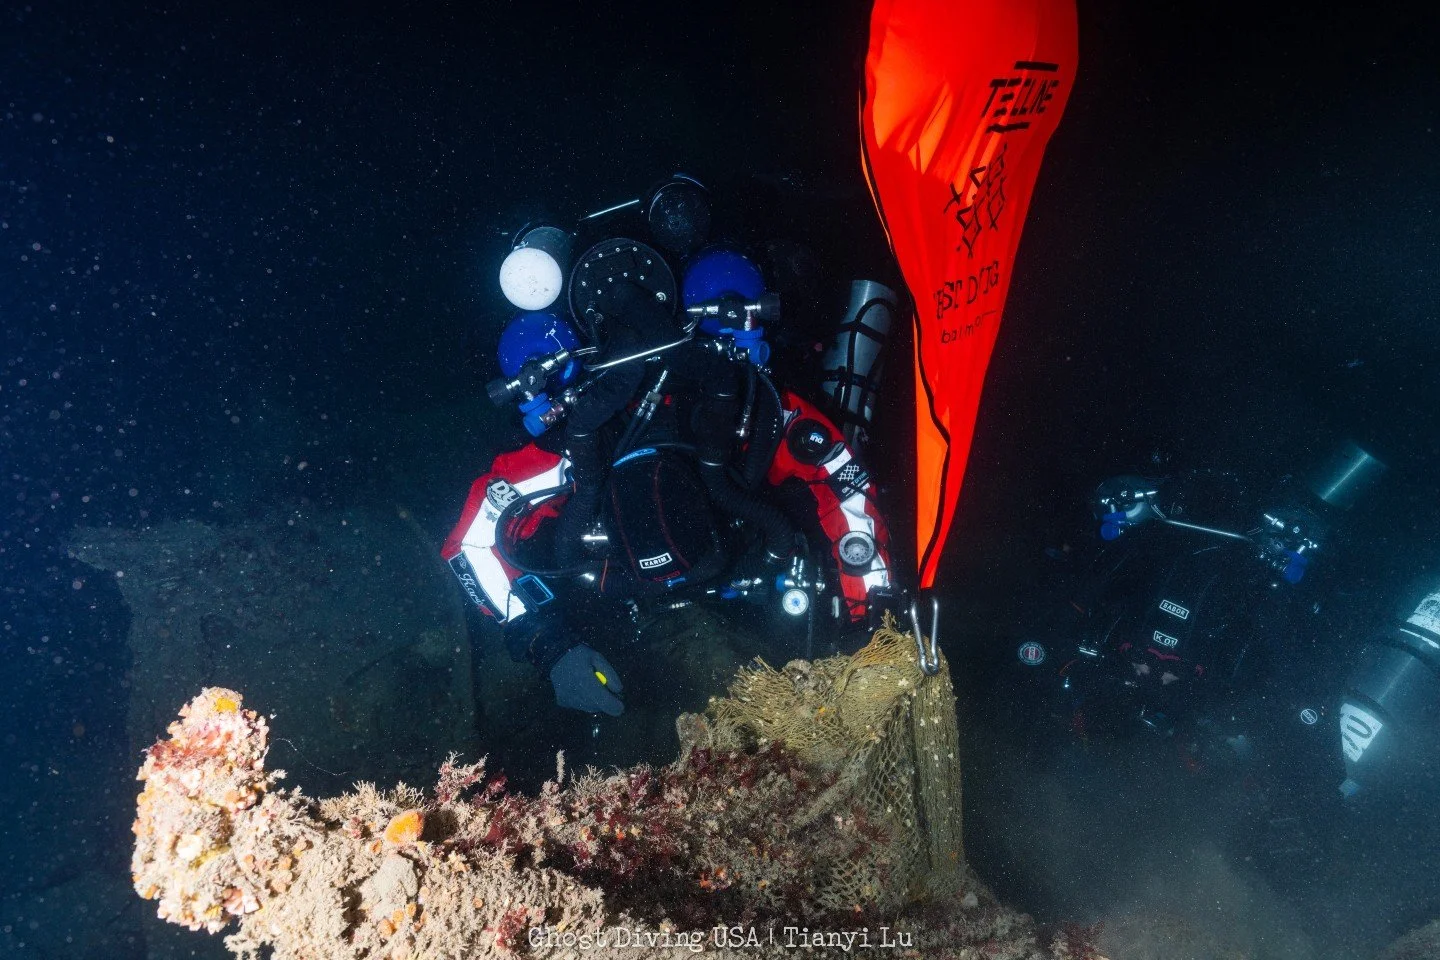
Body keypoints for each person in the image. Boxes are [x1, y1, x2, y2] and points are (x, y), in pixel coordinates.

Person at [442, 177, 903, 717]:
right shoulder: (576, 442)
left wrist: (869, 631)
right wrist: (548, 643)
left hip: (757, 584)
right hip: (636, 630)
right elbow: (471, 544)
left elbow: (847, 495)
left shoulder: (754, 413)